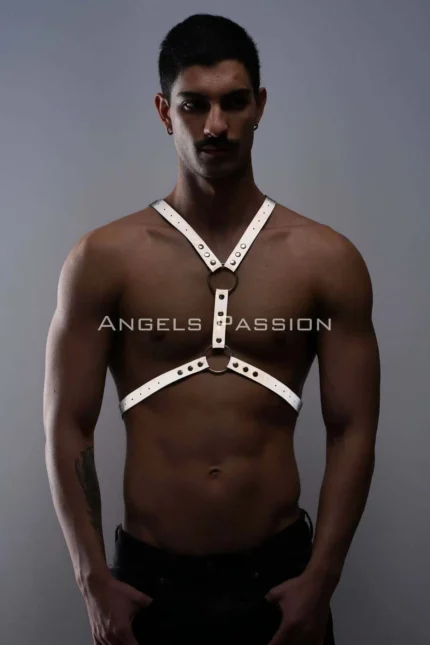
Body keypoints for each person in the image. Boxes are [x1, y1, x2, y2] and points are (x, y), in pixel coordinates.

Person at [43, 13, 380, 645]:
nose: (215, 125)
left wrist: (322, 577)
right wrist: (92, 581)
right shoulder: (104, 260)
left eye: (234, 102)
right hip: (148, 586)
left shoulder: (325, 260)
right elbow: (67, 426)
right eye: (194, 104)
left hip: (280, 578)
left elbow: (353, 427)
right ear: (164, 111)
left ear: (260, 107)